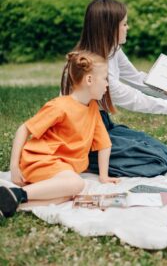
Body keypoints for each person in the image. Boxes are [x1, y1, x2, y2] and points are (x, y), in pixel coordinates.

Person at [73, 0, 167, 178]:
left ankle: (100, 158)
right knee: (156, 161)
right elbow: (136, 100)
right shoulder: (91, 65)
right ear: (109, 28)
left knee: (165, 154)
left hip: (102, 124)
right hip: (83, 133)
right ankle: (87, 161)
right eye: (124, 24)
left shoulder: (112, 49)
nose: (127, 28)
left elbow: (138, 80)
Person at [0, 51, 119, 218]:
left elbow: (104, 143)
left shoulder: (93, 109)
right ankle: (18, 193)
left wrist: (104, 177)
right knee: (76, 184)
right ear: (89, 80)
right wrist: (14, 167)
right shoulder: (60, 106)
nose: (107, 84)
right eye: (105, 78)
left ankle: (13, 204)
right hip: (41, 160)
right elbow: (24, 129)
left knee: (68, 194)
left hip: (61, 168)